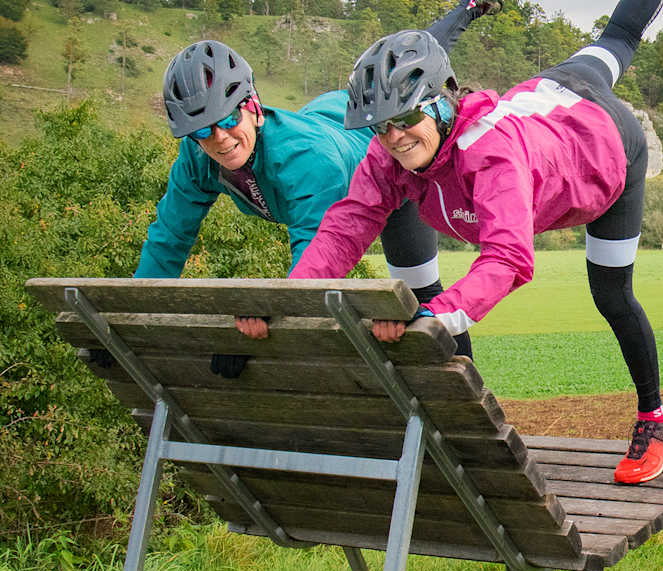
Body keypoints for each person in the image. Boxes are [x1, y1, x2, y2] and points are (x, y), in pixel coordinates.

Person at [287, 0, 663, 484]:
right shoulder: (389, 155)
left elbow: (509, 257)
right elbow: (347, 225)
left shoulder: (490, 154)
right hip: (547, 90)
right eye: (381, 127)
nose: (395, 138)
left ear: (441, 102)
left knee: (612, 295)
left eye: (406, 119)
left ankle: (654, 420)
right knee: (615, 40)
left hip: (608, 147)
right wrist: (288, 299)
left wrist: (433, 315)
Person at [136, 1, 498, 376]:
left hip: (388, 173)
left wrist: (252, 334)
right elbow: (169, 239)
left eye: (229, 118)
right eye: (201, 131)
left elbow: (315, 266)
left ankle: (467, 398)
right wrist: (127, 319)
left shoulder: (307, 163)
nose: (220, 138)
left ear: (253, 106)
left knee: (421, 293)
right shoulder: (197, 158)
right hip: (333, 118)